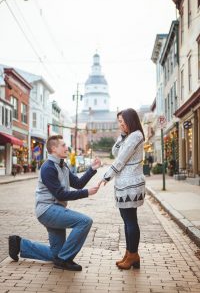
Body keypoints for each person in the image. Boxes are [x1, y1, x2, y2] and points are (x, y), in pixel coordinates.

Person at [8, 135, 101, 271]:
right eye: (63, 145)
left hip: (56, 210)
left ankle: (19, 244)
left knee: (55, 254)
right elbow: (60, 194)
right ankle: (65, 259)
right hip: (47, 210)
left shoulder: (63, 165)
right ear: (53, 148)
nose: (66, 148)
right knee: (84, 221)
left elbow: (78, 184)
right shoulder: (48, 168)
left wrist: (91, 169)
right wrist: (87, 193)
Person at [99, 108, 145, 270]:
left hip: (130, 185)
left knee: (130, 221)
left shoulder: (136, 136)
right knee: (128, 221)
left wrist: (106, 176)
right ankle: (130, 254)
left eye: (121, 121)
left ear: (129, 120)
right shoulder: (129, 136)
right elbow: (115, 152)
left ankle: (133, 255)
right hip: (125, 185)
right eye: (118, 121)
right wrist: (122, 136)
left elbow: (121, 160)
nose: (120, 124)